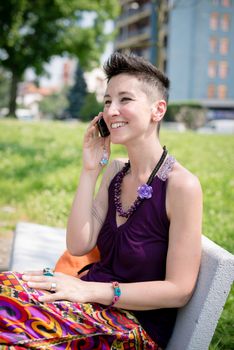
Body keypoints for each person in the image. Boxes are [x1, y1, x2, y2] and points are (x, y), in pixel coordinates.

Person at [0, 52, 203, 349]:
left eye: (125, 100)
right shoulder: (116, 173)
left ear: (157, 110)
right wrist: (90, 170)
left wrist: (89, 291)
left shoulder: (182, 186)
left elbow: (179, 290)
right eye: (108, 101)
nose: (112, 110)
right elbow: (78, 245)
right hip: (87, 300)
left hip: (132, 327)